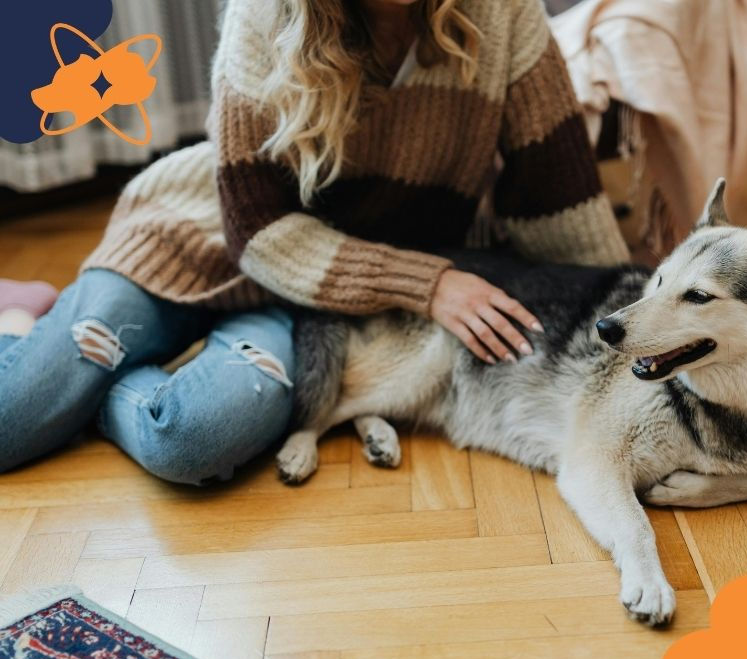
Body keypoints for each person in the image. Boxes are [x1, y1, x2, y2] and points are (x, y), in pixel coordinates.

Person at [0, 0, 628, 483]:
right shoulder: (265, 13)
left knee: (188, 441)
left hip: (320, 301)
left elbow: (558, 198)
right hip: (193, 242)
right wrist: (428, 283)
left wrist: (627, 323)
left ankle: (90, 376)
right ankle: (21, 324)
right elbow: (255, 231)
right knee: (9, 425)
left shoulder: (502, 15)